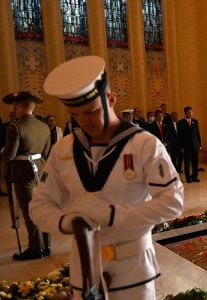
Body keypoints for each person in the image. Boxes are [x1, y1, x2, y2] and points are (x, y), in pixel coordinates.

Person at [32, 55, 184, 299]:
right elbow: (39, 205)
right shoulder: (63, 150)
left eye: (92, 111)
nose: (85, 121)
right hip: (85, 269)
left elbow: (173, 202)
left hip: (133, 270)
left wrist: (114, 215)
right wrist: (64, 222)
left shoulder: (144, 145)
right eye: (77, 115)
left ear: (111, 99)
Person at [2, 91, 51, 260]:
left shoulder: (15, 127)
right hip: (42, 170)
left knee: (30, 210)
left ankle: (36, 248)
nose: (14, 109)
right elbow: (45, 151)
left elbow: (9, 155)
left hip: (23, 173)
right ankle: (47, 245)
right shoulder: (44, 126)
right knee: (43, 207)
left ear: (20, 107)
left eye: (14, 106)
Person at [177, 106, 202, 183]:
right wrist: (181, 146)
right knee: (187, 163)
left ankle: (194, 176)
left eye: (191, 112)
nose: (190, 114)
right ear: (185, 113)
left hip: (195, 145)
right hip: (186, 146)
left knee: (195, 162)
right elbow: (179, 136)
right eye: (188, 112)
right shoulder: (180, 123)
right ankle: (188, 177)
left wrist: (200, 144)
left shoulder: (195, 121)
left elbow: (198, 134)